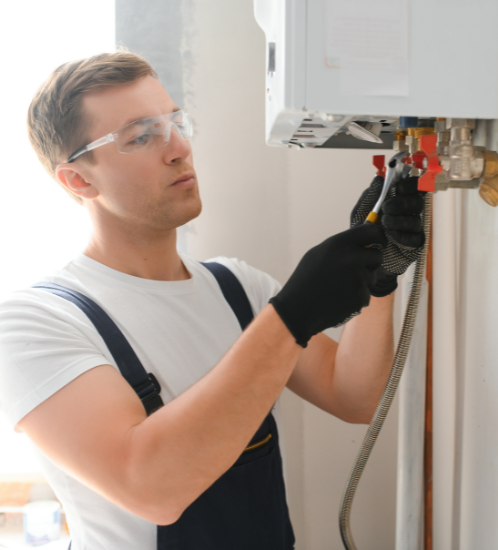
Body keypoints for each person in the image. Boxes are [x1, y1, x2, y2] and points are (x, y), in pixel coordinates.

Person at [0, 51, 425, 550]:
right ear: (78, 178)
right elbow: (152, 487)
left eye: (175, 123)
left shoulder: (237, 288)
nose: (178, 148)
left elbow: (355, 397)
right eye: (142, 136)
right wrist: (290, 318)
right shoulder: (35, 324)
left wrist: (379, 270)